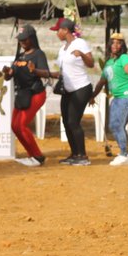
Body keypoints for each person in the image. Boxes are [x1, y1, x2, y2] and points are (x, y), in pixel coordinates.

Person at [3, 24, 52, 167]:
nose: (22, 42)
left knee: (22, 125)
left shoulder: (38, 54)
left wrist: (34, 70)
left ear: (32, 38)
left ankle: (37, 156)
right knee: (14, 125)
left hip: (35, 93)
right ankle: (31, 155)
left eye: (25, 39)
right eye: (20, 40)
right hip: (22, 94)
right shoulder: (20, 56)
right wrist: (8, 72)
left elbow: (46, 73)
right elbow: (9, 77)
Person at [93, 32, 128, 166]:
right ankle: (127, 154)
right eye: (113, 42)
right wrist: (92, 96)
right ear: (109, 45)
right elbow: (102, 82)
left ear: (122, 46)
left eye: (119, 43)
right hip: (117, 98)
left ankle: (124, 154)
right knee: (114, 125)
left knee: (118, 125)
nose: (116, 45)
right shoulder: (108, 62)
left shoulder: (124, 58)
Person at [51, 18, 95, 165]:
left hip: (81, 87)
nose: (56, 33)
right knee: (66, 121)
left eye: (58, 30)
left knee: (73, 121)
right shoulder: (62, 49)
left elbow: (91, 63)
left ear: (65, 30)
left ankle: (83, 156)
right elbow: (62, 71)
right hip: (67, 89)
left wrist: (82, 55)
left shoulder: (80, 43)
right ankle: (74, 153)